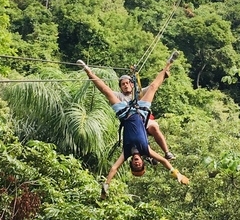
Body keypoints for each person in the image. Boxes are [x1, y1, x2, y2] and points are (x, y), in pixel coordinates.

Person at [77, 57, 189, 198]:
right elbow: (164, 161)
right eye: (139, 164)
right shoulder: (146, 150)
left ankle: (87, 70)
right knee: (153, 87)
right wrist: (177, 174)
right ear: (142, 162)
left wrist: (106, 185)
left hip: (125, 114)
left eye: (135, 165)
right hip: (140, 112)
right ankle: (169, 63)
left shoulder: (126, 153)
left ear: (132, 163)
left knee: (106, 91)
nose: (137, 163)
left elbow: (114, 168)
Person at [114, 72, 175, 161]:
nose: (125, 86)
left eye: (127, 83)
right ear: (120, 87)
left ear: (131, 84)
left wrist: (163, 77)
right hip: (131, 124)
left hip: (143, 119)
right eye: (123, 84)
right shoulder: (119, 96)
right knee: (135, 140)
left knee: (154, 127)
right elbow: (106, 91)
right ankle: (147, 155)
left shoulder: (139, 92)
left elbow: (152, 87)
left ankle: (166, 152)